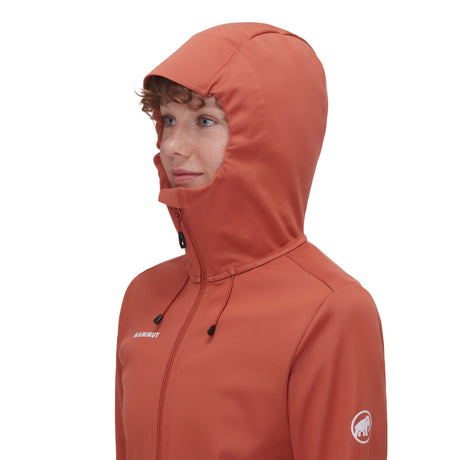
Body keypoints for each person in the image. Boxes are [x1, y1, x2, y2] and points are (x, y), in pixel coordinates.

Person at [115, 22, 387, 460]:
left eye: (205, 121)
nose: (173, 145)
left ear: (270, 137)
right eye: (168, 119)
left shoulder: (330, 310)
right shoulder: (145, 296)